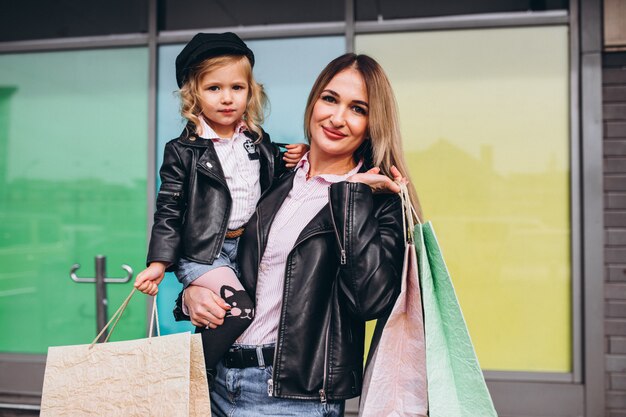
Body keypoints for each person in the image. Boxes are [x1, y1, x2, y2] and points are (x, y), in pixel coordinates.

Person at [181, 52, 422, 417]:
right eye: (330, 99)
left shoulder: (377, 201)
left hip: (293, 399)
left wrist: (350, 194)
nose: (337, 118)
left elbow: (371, 302)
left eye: (357, 109)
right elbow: (218, 245)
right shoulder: (272, 177)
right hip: (215, 378)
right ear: (314, 102)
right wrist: (190, 296)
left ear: (374, 123)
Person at [133, 32, 308, 380]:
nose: (227, 98)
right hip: (205, 253)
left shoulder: (258, 143)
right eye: (214, 88)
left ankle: (208, 379)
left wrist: (297, 155)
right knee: (239, 310)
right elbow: (169, 208)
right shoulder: (183, 151)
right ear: (193, 94)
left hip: (247, 246)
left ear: (250, 92)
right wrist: (158, 263)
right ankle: (194, 379)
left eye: (237, 88)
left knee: (244, 310)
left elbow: (275, 177)